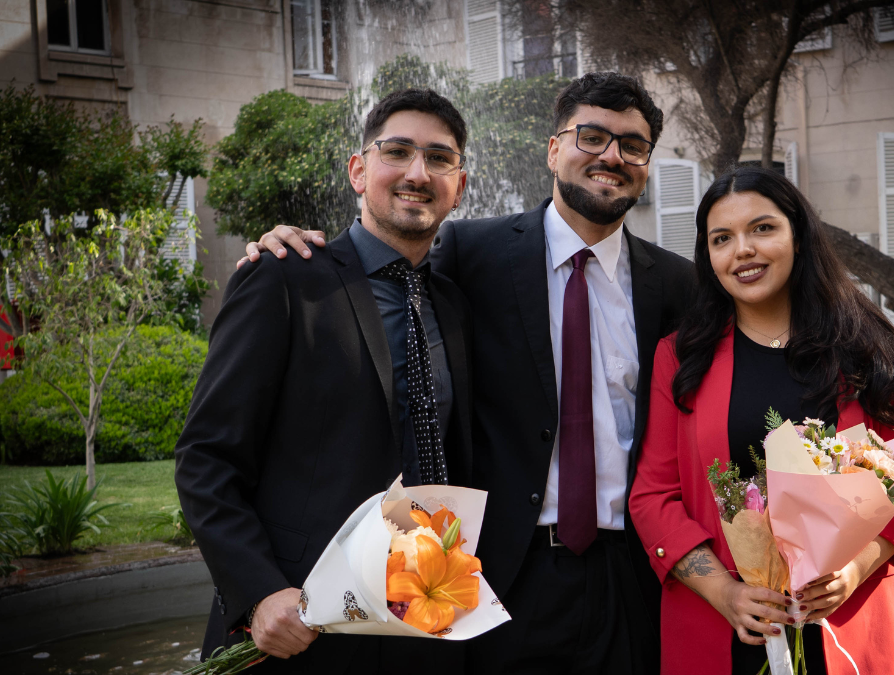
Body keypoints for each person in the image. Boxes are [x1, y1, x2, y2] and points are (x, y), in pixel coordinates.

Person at [241, 73, 693, 674]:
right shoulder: (470, 252)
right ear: (553, 149)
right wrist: (287, 245)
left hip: (631, 575)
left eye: (631, 146)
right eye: (590, 137)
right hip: (501, 578)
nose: (611, 156)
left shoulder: (679, 286)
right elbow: (377, 268)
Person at [174, 89, 475, 672]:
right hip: (300, 626)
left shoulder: (455, 306)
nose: (418, 173)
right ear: (359, 171)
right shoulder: (282, 279)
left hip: (425, 622)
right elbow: (205, 458)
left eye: (439, 159)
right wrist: (260, 592)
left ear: (458, 186)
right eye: (397, 151)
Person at [629, 166, 894, 675]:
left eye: (762, 228)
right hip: (723, 626)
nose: (743, 250)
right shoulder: (680, 358)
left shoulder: (864, 349)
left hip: (848, 623)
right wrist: (723, 592)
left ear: (799, 236)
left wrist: (853, 570)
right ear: (709, 257)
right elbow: (653, 496)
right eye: (722, 239)